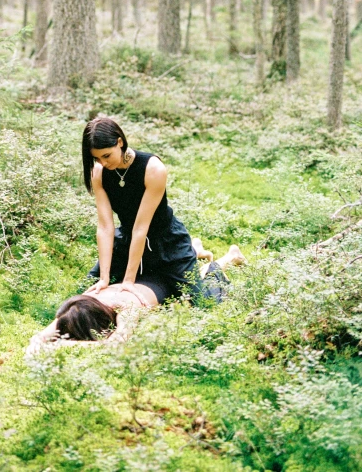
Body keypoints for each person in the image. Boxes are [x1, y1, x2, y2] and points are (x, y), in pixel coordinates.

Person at [82, 117, 235, 305]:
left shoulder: (153, 169)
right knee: (88, 288)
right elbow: (105, 227)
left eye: (106, 155)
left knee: (202, 303)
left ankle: (219, 263)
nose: (103, 163)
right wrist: (104, 277)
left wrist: (129, 280)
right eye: (96, 158)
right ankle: (195, 249)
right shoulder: (99, 172)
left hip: (167, 242)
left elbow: (141, 228)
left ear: (119, 142)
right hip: (127, 241)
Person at [26, 242, 246, 354]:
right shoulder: (78, 306)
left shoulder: (126, 308)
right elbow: (38, 338)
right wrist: (42, 342)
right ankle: (193, 250)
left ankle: (228, 257)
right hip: (137, 276)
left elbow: (116, 345)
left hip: (164, 282)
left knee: (203, 292)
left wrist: (63, 347)